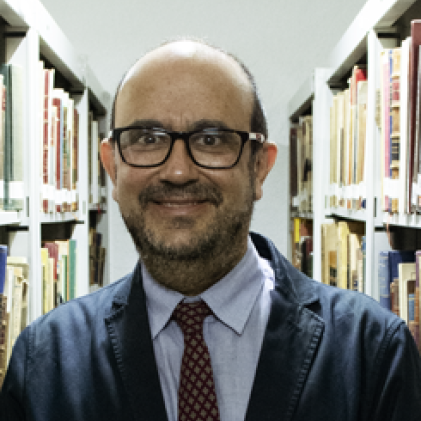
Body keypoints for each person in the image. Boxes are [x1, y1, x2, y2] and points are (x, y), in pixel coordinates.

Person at [1, 39, 421, 421]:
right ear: (112, 166)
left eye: (211, 139)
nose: (178, 171)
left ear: (259, 166)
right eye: (147, 138)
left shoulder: (373, 353)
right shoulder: (44, 363)